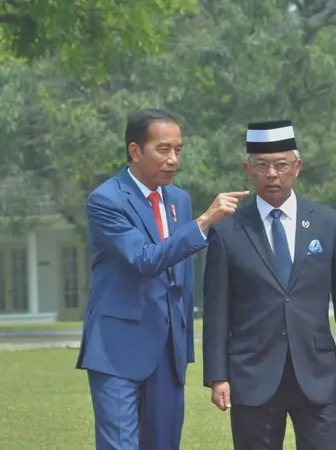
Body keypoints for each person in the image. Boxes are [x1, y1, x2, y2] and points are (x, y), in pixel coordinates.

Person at [76, 108, 248, 450]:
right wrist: (202, 222)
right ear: (135, 150)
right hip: (117, 348)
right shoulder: (106, 200)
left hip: (168, 353)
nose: (173, 159)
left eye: (179, 150)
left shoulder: (178, 200)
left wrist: (182, 345)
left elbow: (180, 276)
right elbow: (145, 259)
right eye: (163, 149)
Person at [202, 120, 336, 449]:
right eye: (261, 165)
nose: (272, 174)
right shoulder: (228, 230)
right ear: (247, 169)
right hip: (253, 373)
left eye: (281, 164)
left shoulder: (328, 224)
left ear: (298, 167)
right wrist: (217, 375)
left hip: (316, 372)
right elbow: (216, 310)